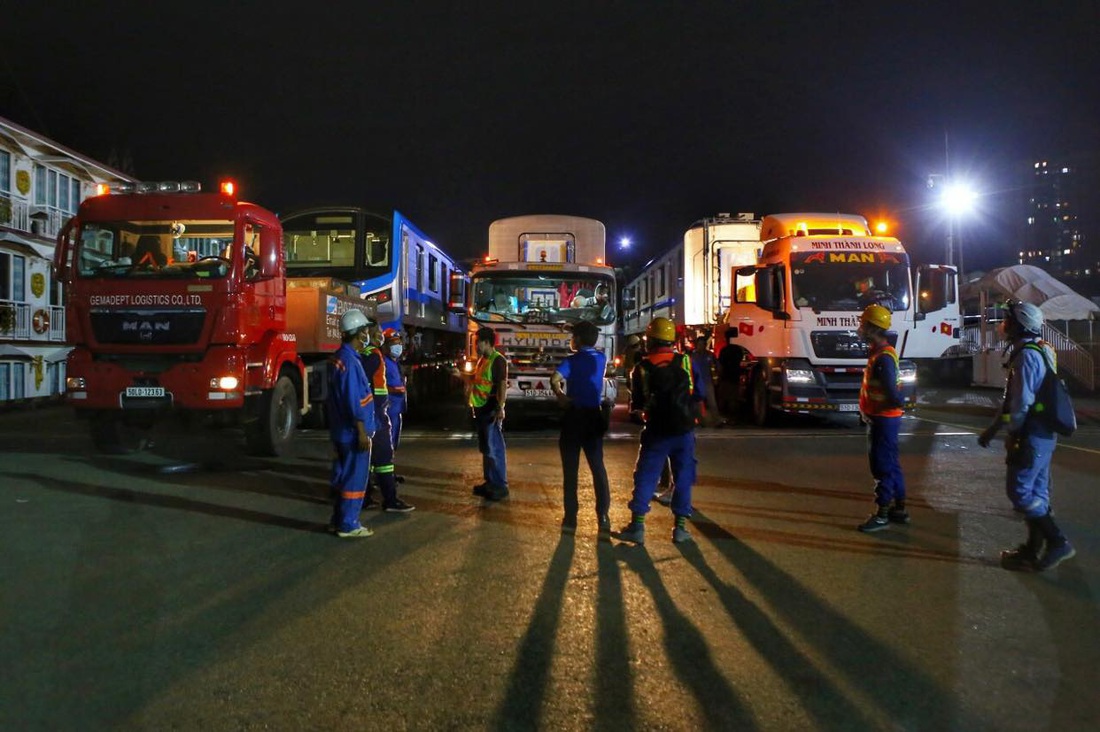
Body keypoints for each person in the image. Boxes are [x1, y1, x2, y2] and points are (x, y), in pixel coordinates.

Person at [978, 300, 1075, 571]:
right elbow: (1012, 400)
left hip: (1031, 435)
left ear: (1019, 324)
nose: (1002, 324)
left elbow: (1020, 403)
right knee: (1037, 493)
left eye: (1007, 319)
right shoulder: (1035, 350)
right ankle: (1032, 550)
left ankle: (1057, 542)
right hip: (1042, 435)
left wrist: (1012, 433)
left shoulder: (1028, 355)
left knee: (1020, 492)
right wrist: (994, 428)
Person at [618, 317, 700, 545]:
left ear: (650, 340)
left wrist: (645, 412)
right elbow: (696, 391)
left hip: (656, 431)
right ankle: (680, 529)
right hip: (684, 430)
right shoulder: (684, 361)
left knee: (646, 476)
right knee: (683, 477)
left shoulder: (641, 368)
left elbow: (638, 404)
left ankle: (637, 526)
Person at [551, 320, 612, 535]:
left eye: (573, 336)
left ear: (577, 339)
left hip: (574, 417)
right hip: (594, 417)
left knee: (571, 469)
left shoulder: (571, 361)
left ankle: (570, 517)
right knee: (598, 467)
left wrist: (561, 396)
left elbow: (554, 379)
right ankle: (603, 515)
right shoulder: (602, 358)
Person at [855, 304, 909, 533]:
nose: (860, 327)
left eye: (863, 324)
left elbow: (889, 389)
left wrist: (896, 402)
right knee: (892, 464)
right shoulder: (880, 352)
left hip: (883, 419)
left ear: (872, 328)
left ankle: (883, 514)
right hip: (885, 417)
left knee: (882, 465)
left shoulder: (883, 357)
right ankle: (899, 509)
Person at [326, 309, 375, 538]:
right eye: (365, 331)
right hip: (353, 432)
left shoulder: (339, 358)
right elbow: (354, 400)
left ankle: (338, 520)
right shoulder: (350, 363)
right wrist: (362, 431)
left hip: (341, 430)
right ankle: (349, 524)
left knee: (343, 476)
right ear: (357, 334)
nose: (368, 334)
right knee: (355, 479)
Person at [360, 323, 415, 513]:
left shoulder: (368, 355)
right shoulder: (374, 356)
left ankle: (367, 497)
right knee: (383, 456)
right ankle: (389, 500)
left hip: (377, 412)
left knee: (373, 457)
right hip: (378, 414)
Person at [468, 327, 509, 500]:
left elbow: (501, 385)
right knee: (486, 448)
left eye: (478, 343)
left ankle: (500, 485)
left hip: (491, 409)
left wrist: (500, 407)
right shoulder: (482, 360)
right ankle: (490, 482)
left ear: (486, 342)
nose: (476, 346)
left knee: (494, 448)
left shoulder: (497, 360)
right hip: (481, 408)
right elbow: (478, 382)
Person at [382, 328, 408, 483]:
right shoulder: (384, 363)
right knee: (387, 444)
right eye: (393, 343)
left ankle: (389, 473)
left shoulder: (394, 363)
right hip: (389, 408)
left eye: (398, 342)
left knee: (393, 444)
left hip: (396, 409)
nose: (397, 346)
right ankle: (383, 477)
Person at [690, 335, 720, 427]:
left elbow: (716, 367)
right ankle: (700, 421)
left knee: (712, 402)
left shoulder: (710, 355)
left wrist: (716, 379)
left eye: (702, 344)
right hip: (696, 383)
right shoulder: (693, 356)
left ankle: (716, 420)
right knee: (697, 403)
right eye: (699, 344)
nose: (701, 346)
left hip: (707, 382)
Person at [717, 328, 744, 423]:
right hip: (735, 377)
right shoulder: (739, 350)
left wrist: (719, 377)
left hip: (725, 377)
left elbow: (720, 365)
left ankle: (723, 418)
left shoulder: (724, 350)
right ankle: (733, 419)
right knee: (733, 398)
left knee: (723, 398)